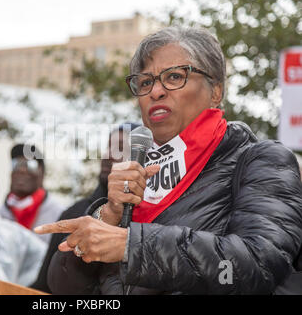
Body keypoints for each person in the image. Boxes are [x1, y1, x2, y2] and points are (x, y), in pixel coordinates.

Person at [35, 27, 302, 294]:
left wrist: (132, 246)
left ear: (216, 91)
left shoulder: (263, 161)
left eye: (174, 77)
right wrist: (109, 216)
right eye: (145, 82)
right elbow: (62, 288)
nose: (156, 91)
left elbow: (258, 266)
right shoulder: (130, 179)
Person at [30, 123, 139, 292]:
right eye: (108, 147)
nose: (109, 155)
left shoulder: (150, 218)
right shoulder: (73, 214)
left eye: (120, 149)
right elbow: (43, 285)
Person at [0, 143, 65, 244]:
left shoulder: (59, 215)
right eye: (16, 164)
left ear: (41, 174)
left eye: (30, 165)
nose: (22, 169)